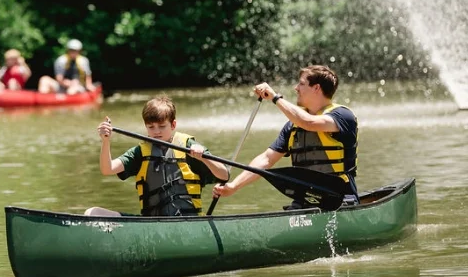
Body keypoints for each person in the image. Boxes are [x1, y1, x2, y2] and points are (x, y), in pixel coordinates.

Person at [213, 65, 359, 209]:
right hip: (305, 201)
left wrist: (275, 98)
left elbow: (309, 122)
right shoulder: (293, 126)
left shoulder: (343, 116)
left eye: (301, 84)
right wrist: (233, 186)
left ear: (316, 88)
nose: (296, 88)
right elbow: (266, 159)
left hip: (340, 199)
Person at [86, 94, 230, 217]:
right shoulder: (140, 152)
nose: (156, 132)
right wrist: (106, 141)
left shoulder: (189, 147)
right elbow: (107, 169)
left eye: (162, 126)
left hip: (188, 222)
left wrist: (203, 158)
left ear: (173, 125)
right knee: (92, 213)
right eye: (151, 127)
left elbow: (224, 175)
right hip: (151, 224)